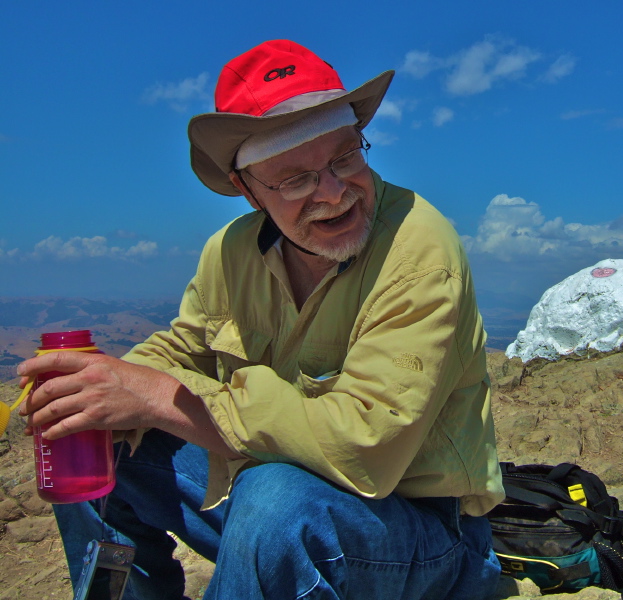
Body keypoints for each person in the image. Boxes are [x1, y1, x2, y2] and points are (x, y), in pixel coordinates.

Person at [17, 39, 505, 600]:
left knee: (275, 502)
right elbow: (182, 349)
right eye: (295, 179)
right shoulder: (230, 253)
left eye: (345, 157)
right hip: (286, 497)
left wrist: (156, 397)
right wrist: (103, 388)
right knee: (97, 437)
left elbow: (366, 449)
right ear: (249, 192)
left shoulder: (417, 248)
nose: (334, 192)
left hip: (426, 535)